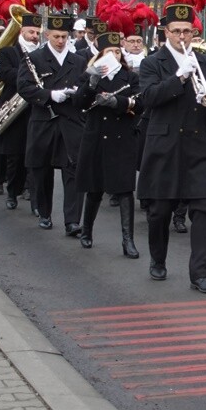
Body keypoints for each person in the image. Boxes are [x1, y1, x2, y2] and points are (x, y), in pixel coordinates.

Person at [137, 0, 206, 294]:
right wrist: (178, 78)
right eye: (175, 31)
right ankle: (158, 259)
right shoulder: (152, 63)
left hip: (201, 147)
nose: (182, 37)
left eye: (187, 31)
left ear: (193, 31)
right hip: (164, 146)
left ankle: (200, 274)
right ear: (165, 32)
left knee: (204, 209)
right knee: (160, 211)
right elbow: (147, 98)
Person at [71, 13, 143, 256]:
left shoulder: (130, 77)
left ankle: (128, 241)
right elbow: (79, 103)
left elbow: (140, 104)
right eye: (109, 51)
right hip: (96, 136)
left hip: (122, 138)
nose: (115, 55)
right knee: (95, 188)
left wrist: (118, 102)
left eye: (117, 51)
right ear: (100, 54)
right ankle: (88, 230)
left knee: (124, 190)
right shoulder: (90, 74)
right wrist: (91, 83)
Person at [17, 11, 87, 236]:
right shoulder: (34, 58)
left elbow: (86, 89)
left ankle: (72, 221)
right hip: (44, 121)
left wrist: (78, 93)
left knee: (73, 171)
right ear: (47, 35)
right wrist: (49, 95)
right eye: (56, 36)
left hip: (70, 122)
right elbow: (24, 87)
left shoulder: (77, 61)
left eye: (64, 37)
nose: (60, 41)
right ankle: (45, 213)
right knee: (42, 170)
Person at [0, 5, 38, 212]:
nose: (34, 36)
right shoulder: (8, 52)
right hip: (13, 108)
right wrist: (30, 77)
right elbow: (6, 74)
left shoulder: (43, 53)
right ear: (21, 32)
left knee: (34, 155)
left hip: (35, 108)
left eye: (36, 33)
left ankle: (32, 192)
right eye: (30, 32)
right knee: (14, 155)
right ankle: (12, 192)